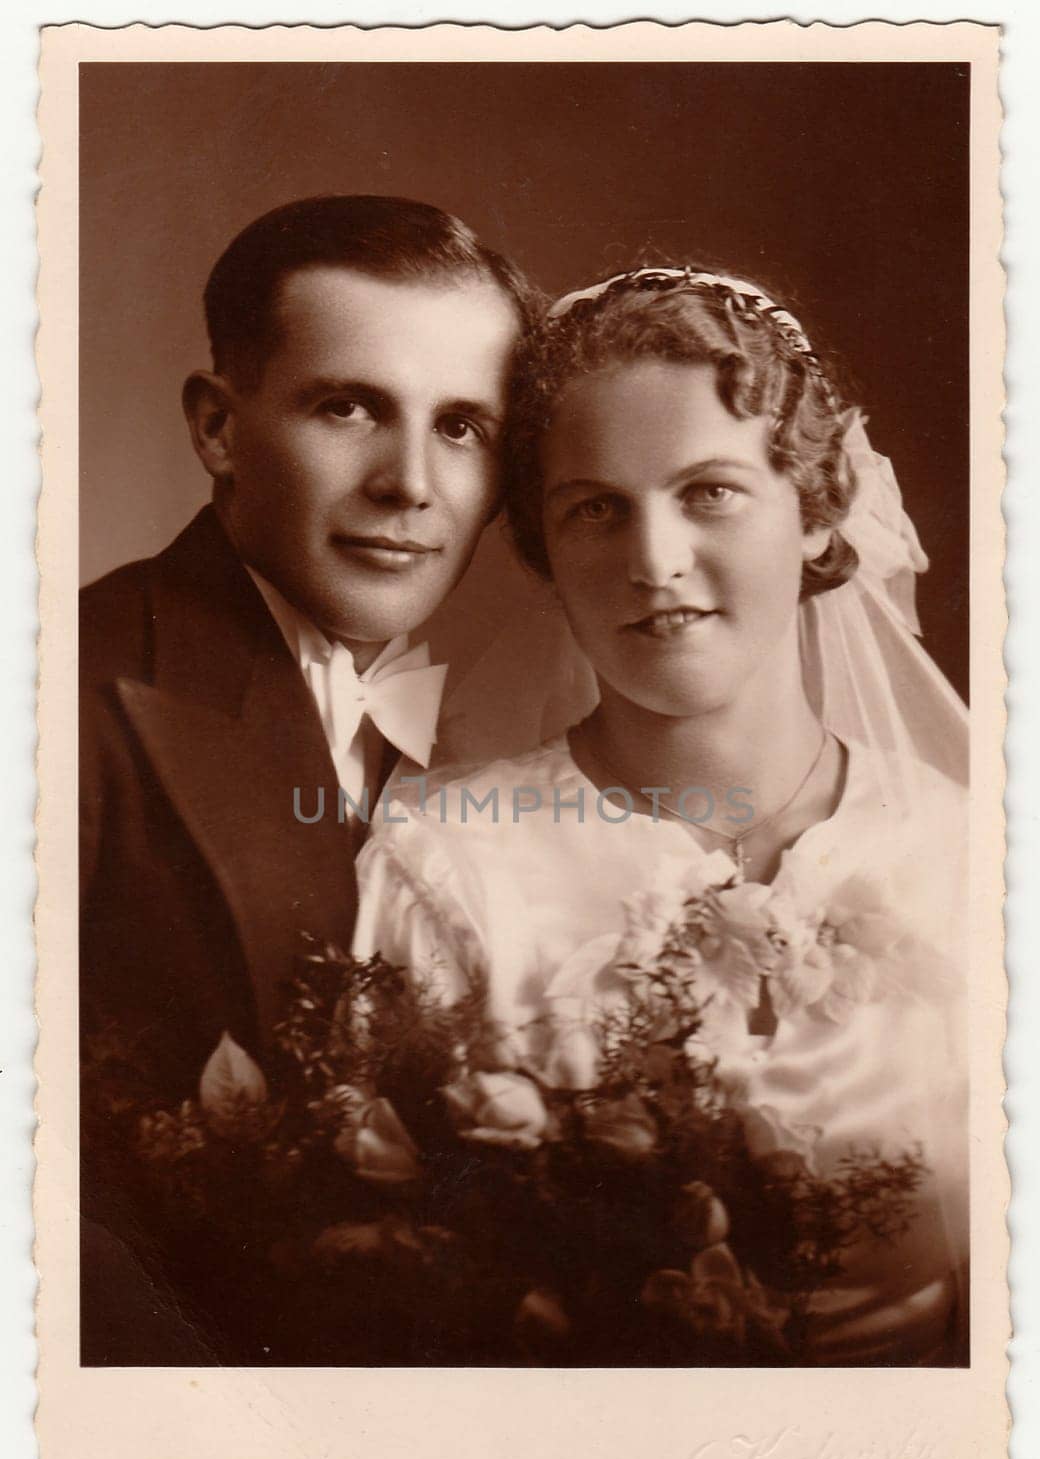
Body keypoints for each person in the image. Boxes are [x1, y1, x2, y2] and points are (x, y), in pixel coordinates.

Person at [355, 265, 970, 1366]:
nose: (652, 561)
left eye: (709, 491)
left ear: (817, 512)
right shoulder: (445, 860)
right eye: (595, 509)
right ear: (545, 551)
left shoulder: (975, 858)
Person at [79, 194, 534, 1360]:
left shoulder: (492, 728)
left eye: (462, 428)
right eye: (348, 407)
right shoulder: (62, 693)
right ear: (219, 428)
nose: (409, 484)